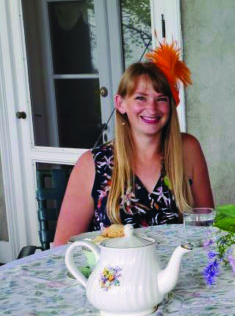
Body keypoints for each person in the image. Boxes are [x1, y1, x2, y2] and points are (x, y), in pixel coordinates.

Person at [54, 41, 214, 244]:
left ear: (172, 105)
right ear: (120, 104)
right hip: (113, 265)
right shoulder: (91, 164)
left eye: (161, 99)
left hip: (177, 264)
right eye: (140, 98)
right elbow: (62, 246)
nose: (152, 108)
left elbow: (206, 230)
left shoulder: (188, 149)